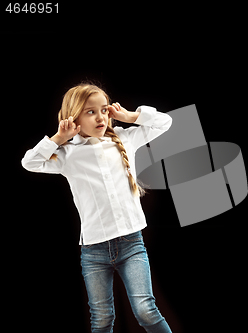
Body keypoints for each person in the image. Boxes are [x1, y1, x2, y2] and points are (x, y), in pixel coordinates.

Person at [22, 83, 173, 333]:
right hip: (94, 251)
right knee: (102, 319)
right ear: (74, 118)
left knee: (146, 310)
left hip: (131, 244)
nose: (100, 116)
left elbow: (165, 122)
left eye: (103, 110)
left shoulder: (124, 139)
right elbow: (30, 162)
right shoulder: (67, 154)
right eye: (90, 112)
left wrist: (130, 116)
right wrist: (59, 138)